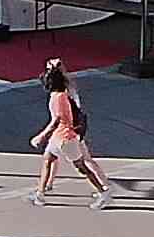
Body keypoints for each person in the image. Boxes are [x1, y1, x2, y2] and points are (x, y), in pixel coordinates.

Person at [30, 63, 112, 209]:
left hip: (64, 138)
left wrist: (41, 137)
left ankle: (103, 193)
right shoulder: (62, 93)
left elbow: (56, 121)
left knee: (81, 167)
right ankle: (40, 194)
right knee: (48, 160)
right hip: (60, 137)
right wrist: (55, 68)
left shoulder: (57, 98)